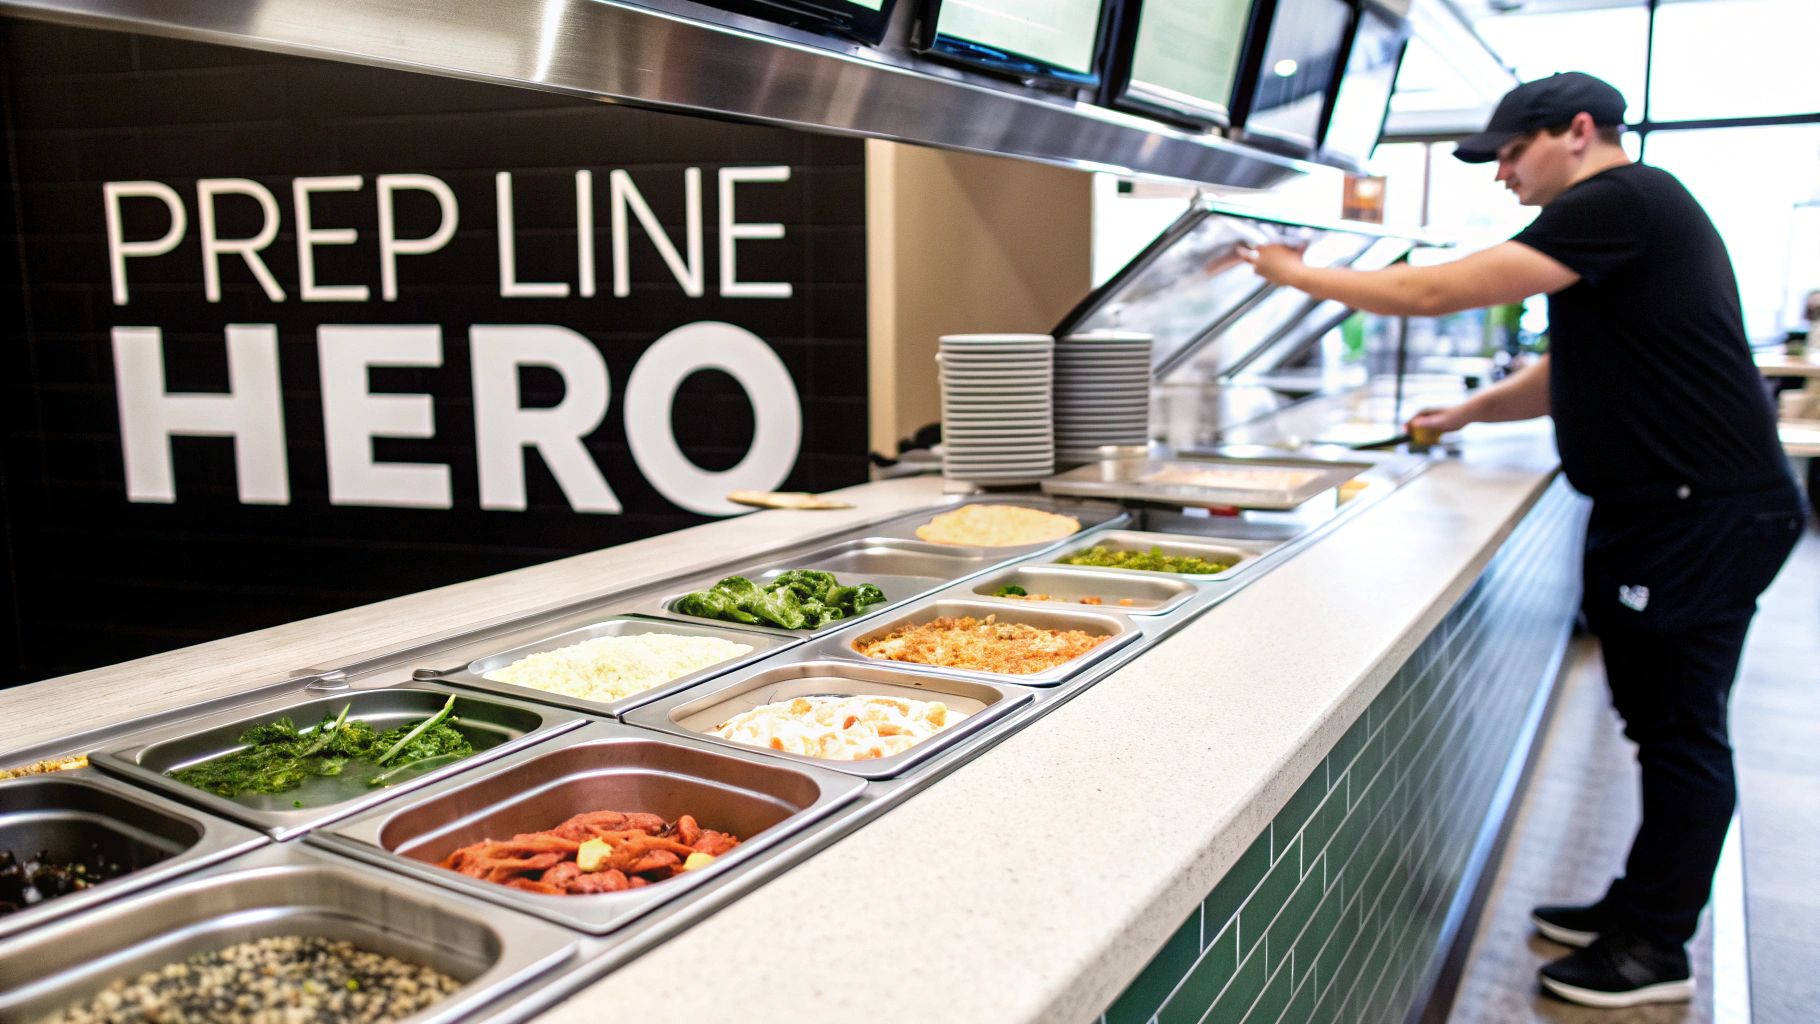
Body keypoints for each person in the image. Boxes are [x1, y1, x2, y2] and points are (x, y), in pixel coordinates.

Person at [1240, 71, 1807, 1009]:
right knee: (1655, 723)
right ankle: (1636, 906)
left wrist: (1295, 273)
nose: (1501, 173)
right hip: (1670, 510)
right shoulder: (1618, 223)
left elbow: (1433, 291)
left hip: (1697, 514)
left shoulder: (1624, 199)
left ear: (1577, 131)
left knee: (1680, 734)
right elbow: (1565, 372)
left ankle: (1654, 949)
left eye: (1511, 152)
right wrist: (1461, 412)